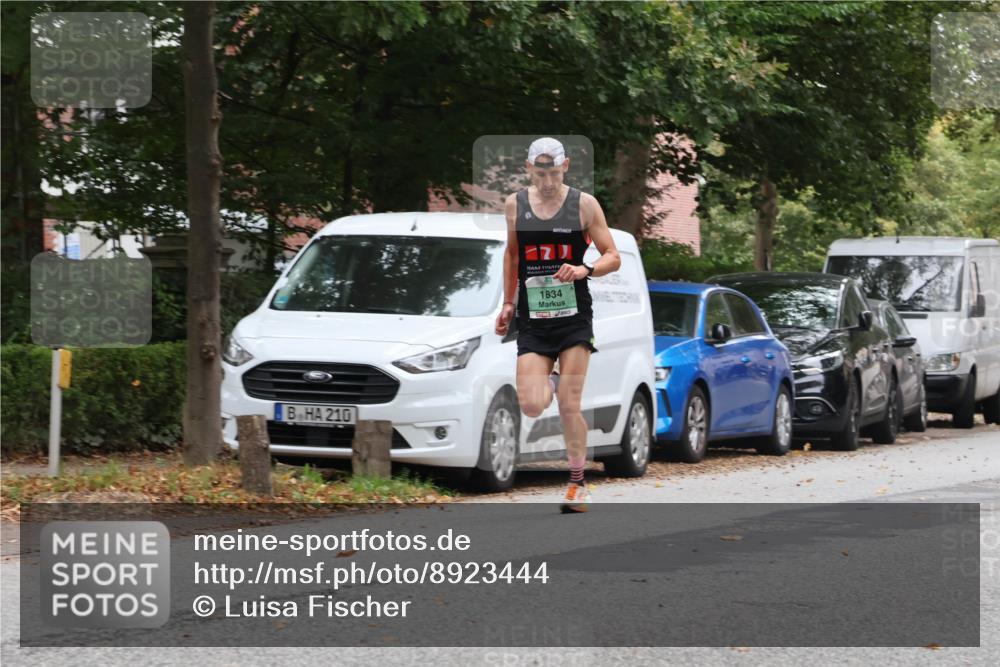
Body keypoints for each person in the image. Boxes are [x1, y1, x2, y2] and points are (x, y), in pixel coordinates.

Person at [494, 137, 621, 513]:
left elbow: (613, 255)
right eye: (540, 173)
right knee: (532, 405)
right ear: (529, 169)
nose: (547, 181)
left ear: (565, 167)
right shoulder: (515, 205)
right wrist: (508, 303)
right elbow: (513, 256)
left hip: (574, 318)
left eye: (553, 172)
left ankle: (577, 484)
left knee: (569, 403)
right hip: (533, 318)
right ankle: (550, 379)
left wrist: (585, 269)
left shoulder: (583, 205)